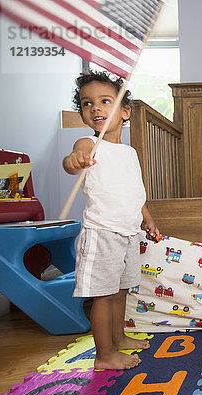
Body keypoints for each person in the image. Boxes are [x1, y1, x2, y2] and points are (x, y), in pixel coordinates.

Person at [63, 71, 160, 370]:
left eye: (105, 101)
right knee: (103, 296)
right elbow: (72, 160)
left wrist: (148, 219)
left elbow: (136, 191)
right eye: (87, 103)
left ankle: (118, 339)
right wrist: (74, 161)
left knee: (120, 292)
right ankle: (104, 355)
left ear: (125, 111)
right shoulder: (89, 144)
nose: (96, 108)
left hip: (128, 233)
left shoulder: (129, 153)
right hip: (102, 232)